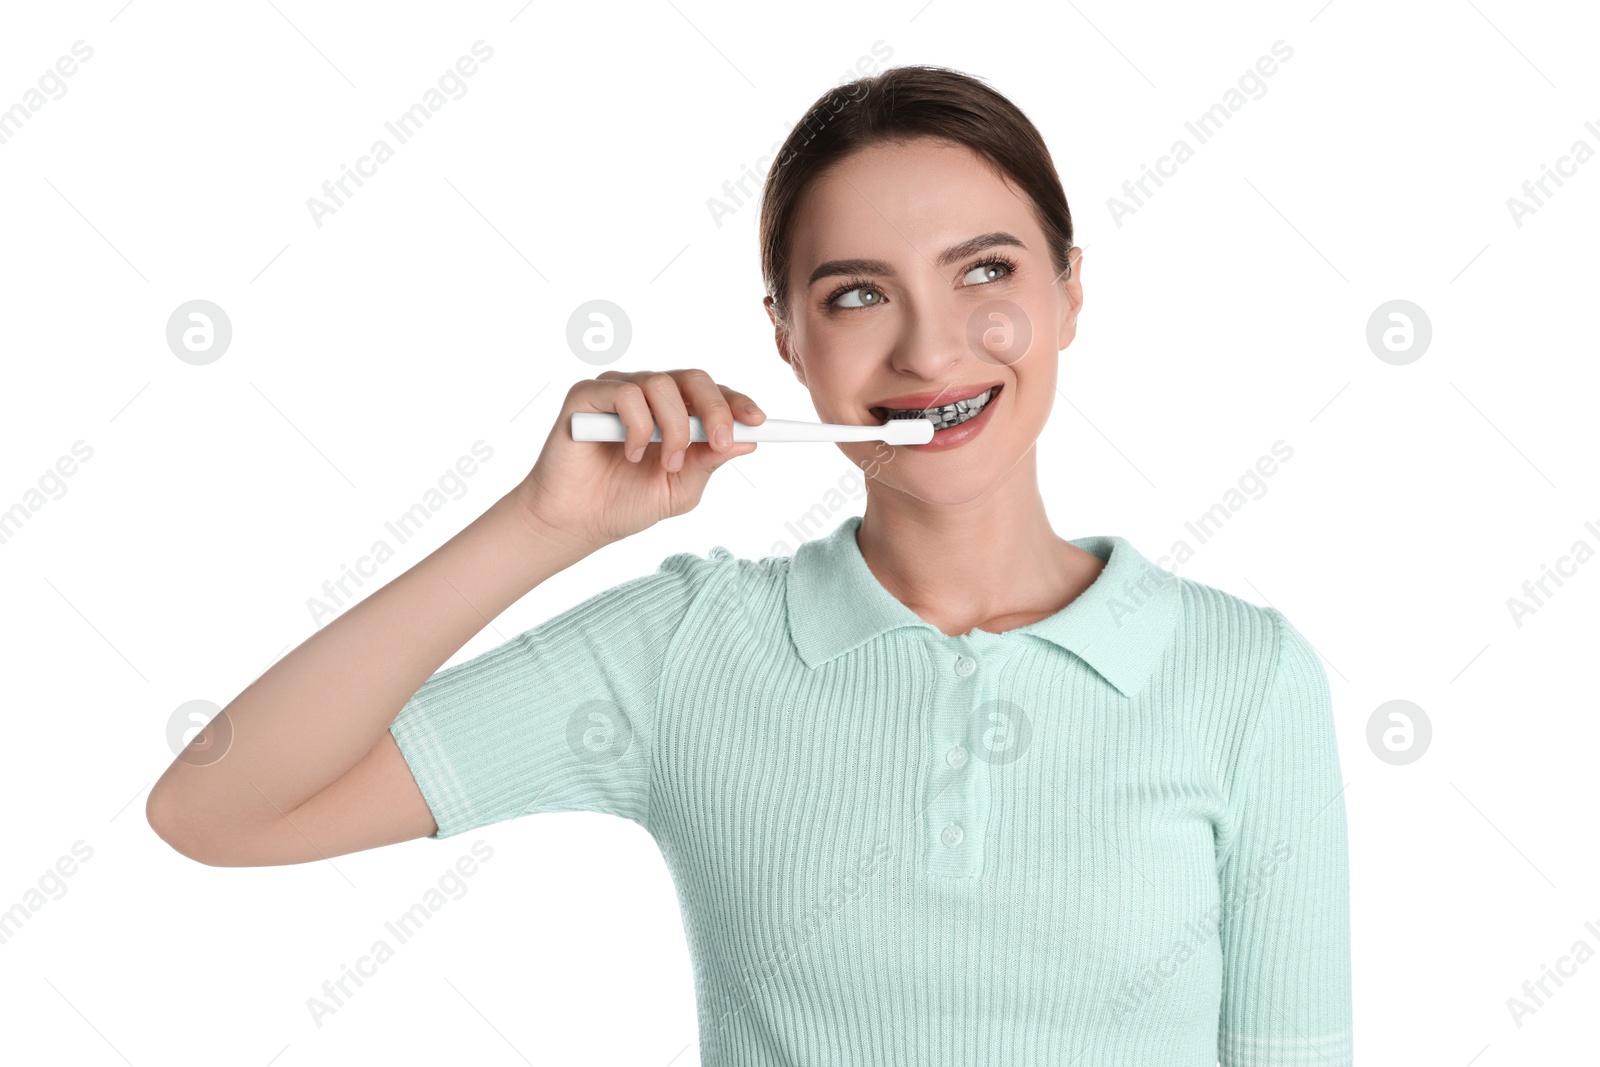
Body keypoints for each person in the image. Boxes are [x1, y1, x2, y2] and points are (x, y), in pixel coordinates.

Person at [148, 64, 1352, 1065]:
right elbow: (215, 804)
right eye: (857, 293)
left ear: (1070, 289)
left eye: (985, 270)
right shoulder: (685, 650)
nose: (931, 344)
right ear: (785, 334)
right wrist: (544, 524)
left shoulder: (1243, 676)